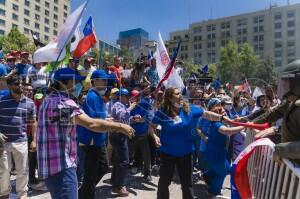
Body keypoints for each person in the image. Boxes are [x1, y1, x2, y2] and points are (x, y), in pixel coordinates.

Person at [36, 68, 134, 199]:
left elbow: (81, 121)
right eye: (76, 82)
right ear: (65, 83)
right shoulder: (63, 104)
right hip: (62, 166)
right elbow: (91, 124)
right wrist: (120, 126)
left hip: (50, 166)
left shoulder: (48, 101)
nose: (79, 86)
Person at [149, 87, 231, 199]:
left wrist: (221, 118)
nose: (181, 95)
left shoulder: (189, 109)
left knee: (187, 184)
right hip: (168, 153)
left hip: (186, 153)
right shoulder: (162, 112)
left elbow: (206, 114)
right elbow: (151, 127)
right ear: (170, 98)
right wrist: (154, 136)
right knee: (164, 182)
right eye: (177, 94)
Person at [253, 61, 300, 164]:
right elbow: (273, 114)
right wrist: (251, 123)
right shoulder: (290, 101)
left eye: (287, 82)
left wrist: (280, 150)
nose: (283, 86)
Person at [0, 75, 37, 199]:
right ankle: (4, 194)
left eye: (21, 83)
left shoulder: (30, 103)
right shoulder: (2, 101)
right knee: (4, 171)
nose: (20, 86)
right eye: (17, 84)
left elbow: (33, 122)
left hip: (21, 141)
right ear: (10, 86)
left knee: (22, 171)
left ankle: (22, 195)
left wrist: (34, 141)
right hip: (3, 143)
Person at [77, 69, 111, 199]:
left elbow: (99, 117)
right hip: (91, 140)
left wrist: (109, 120)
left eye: (106, 80)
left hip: (98, 139)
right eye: (103, 80)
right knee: (92, 172)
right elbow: (93, 121)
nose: (106, 82)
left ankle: (85, 191)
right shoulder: (92, 97)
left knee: (102, 167)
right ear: (95, 81)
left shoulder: (97, 97)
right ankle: (85, 193)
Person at [204, 98, 244, 197]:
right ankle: (213, 192)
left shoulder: (219, 121)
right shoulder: (216, 124)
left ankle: (207, 175)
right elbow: (228, 131)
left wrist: (238, 121)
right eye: (220, 110)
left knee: (225, 169)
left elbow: (230, 123)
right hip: (215, 153)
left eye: (223, 109)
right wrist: (244, 126)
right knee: (221, 173)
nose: (224, 111)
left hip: (219, 152)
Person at [110, 88, 136, 197]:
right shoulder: (118, 105)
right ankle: (118, 186)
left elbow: (124, 119)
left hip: (119, 134)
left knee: (118, 159)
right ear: (122, 96)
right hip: (118, 135)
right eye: (126, 96)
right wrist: (131, 107)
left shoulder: (121, 106)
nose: (128, 99)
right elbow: (121, 116)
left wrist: (133, 118)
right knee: (124, 161)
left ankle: (114, 181)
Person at [129, 89, 152, 181]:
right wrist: (134, 119)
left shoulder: (145, 105)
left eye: (138, 96)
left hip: (143, 134)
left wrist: (133, 120)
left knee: (146, 155)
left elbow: (143, 119)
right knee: (129, 154)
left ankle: (147, 173)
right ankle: (125, 170)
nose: (137, 98)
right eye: (135, 97)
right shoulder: (129, 107)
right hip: (132, 134)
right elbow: (126, 120)